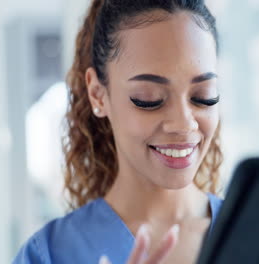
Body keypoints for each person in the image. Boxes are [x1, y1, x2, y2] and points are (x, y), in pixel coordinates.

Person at [13, 0, 223, 263]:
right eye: (149, 98)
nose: (183, 124)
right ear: (98, 95)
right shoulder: (50, 255)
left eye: (203, 96)